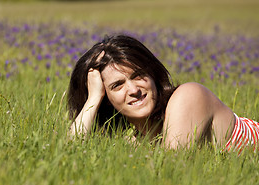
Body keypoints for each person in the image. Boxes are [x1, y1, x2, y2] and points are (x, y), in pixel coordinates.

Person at [67, 35, 259, 153]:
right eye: (117, 85)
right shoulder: (135, 141)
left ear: (152, 74)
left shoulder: (188, 96)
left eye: (138, 75)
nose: (134, 90)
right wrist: (93, 99)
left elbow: (170, 170)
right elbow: (69, 155)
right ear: (106, 100)